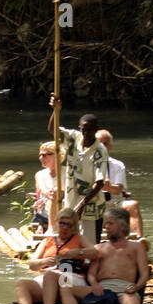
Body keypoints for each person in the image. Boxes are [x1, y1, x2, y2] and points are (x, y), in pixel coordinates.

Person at [56, 205, 150, 304]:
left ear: (122, 225)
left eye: (110, 223)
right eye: (105, 223)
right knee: (66, 288)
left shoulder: (136, 247)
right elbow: (92, 274)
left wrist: (136, 287)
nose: (106, 227)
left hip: (124, 289)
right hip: (102, 289)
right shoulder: (99, 248)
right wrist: (94, 284)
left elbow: (145, 273)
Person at [15, 209, 97, 304]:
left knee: (51, 275)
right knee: (21, 284)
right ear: (57, 223)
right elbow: (32, 264)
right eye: (62, 223)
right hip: (47, 280)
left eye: (69, 225)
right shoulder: (48, 241)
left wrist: (77, 252)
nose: (65, 227)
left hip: (71, 278)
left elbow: (95, 252)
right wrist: (44, 261)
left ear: (74, 227)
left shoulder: (79, 239)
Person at [48, 100, 108, 241]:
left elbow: (99, 182)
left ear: (96, 130)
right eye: (84, 129)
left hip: (91, 206)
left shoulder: (100, 151)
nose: (86, 133)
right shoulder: (74, 138)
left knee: (89, 245)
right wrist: (56, 110)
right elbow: (53, 131)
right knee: (70, 241)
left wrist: (82, 205)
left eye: (90, 130)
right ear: (80, 128)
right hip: (71, 202)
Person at [96, 129, 145, 237]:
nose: (102, 147)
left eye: (105, 144)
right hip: (96, 205)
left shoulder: (118, 165)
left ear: (110, 147)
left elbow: (117, 189)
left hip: (115, 204)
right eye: (99, 144)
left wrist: (107, 186)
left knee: (133, 205)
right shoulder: (86, 164)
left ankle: (139, 239)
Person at [32, 141, 64, 232]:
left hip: (65, 208)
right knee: (54, 193)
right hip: (46, 211)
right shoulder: (40, 174)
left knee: (57, 192)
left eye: (45, 155)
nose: (41, 158)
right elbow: (42, 189)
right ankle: (51, 228)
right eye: (40, 155)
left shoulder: (68, 173)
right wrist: (49, 193)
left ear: (56, 155)